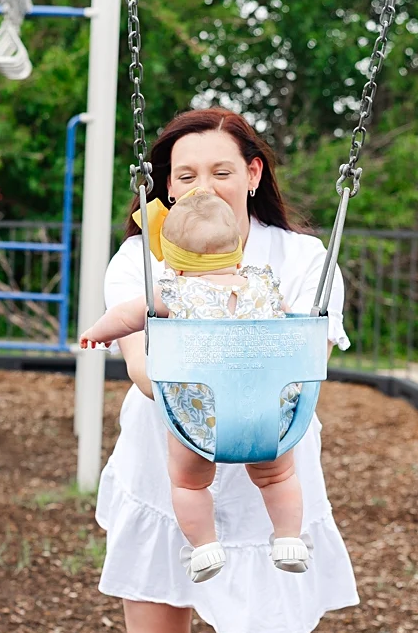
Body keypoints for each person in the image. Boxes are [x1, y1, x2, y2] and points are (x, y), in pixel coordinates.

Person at [62, 108, 356, 633]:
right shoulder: (148, 249)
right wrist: (179, 387)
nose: (202, 186)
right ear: (164, 183)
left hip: (267, 469)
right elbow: (137, 355)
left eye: (221, 170)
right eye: (184, 174)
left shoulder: (302, 260)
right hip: (171, 464)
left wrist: (235, 401)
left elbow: (306, 361)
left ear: (255, 171)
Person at [78, 187, 310, 582]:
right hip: (266, 412)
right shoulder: (264, 285)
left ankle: (204, 547)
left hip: (201, 417)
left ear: (176, 264)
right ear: (237, 251)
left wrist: (97, 334)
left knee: (188, 483)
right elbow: (292, 322)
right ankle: (288, 537)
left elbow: (124, 317)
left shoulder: (173, 291)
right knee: (278, 476)